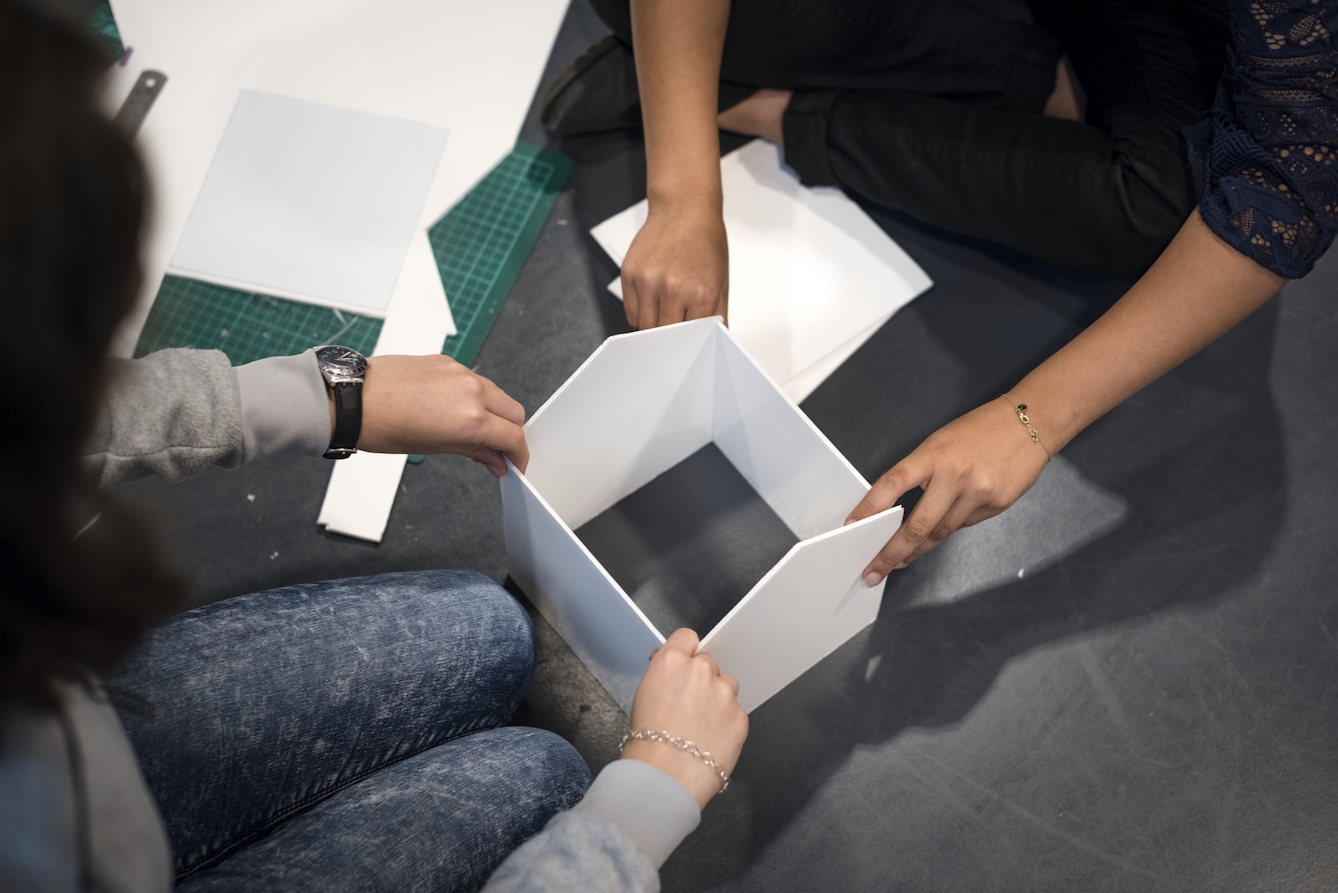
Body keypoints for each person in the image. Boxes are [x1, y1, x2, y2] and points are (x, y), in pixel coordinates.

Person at [0, 3, 746, 891]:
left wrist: (328, 396)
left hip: (72, 724)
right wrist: (642, 809)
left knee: (491, 630)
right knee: (542, 781)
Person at [545, 0, 1335, 578]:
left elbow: (1282, 187)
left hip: (1200, 39)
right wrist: (683, 193)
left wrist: (1029, 421)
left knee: (1162, 212)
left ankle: (752, 100)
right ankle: (1022, 86)